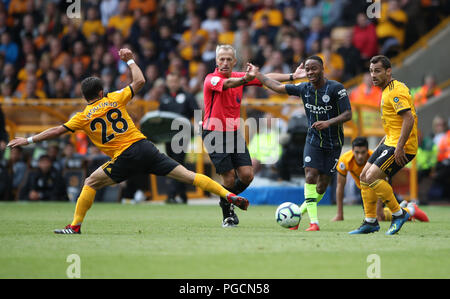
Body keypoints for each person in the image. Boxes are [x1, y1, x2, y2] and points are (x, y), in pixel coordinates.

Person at [7, 48, 249, 234]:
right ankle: (228, 195)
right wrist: (131, 60)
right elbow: (140, 82)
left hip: (124, 156)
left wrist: (28, 140)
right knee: (188, 175)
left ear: (84, 96)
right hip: (145, 147)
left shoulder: (82, 117)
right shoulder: (114, 98)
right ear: (101, 92)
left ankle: (75, 226)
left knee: (90, 181)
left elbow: (56, 131)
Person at [202, 44, 304, 227]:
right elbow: (227, 84)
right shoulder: (211, 79)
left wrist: (292, 77)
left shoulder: (239, 77)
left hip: (233, 132)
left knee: (248, 175)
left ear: (234, 62)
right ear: (216, 61)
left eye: (228, 59)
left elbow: (264, 78)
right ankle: (228, 216)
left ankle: (226, 199)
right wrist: (246, 79)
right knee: (229, 177)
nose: (224, 62)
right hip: (214, 132)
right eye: (221, 59)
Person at [255, 55, 352, 231]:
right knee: (310, 176)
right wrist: (258, 74)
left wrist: (328, 123)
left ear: (323, 69)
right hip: (313, 140)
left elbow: (348, 114)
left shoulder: (336, 88)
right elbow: (276, 87)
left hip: (333, 143)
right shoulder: (304, 88)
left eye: (314, 68)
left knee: (322, 185)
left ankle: (298, 214)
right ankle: (314, 223)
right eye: (307, 69)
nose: (310, 72)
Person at [349, 55, 418, 235]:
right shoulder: (385, 90)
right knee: (364, 176)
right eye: (371, 71)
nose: (373, 75)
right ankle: (370, 222)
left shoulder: (396, 91)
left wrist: (400, 147)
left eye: (377, 71)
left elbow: (408, 119)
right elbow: (393, 123)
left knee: (372, 177)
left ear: (388, 71)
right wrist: (384, 143)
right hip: (389, 141)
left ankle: (399, 213)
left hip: (402, 145)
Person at [333, 137, 428, 222]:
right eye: (357, 152)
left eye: (363, 152)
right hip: (366, 190)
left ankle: (411, 210)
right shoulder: (344, 160)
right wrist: (339, 214)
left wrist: (378, 209)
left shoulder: (374, 158)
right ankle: (405, 210)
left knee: (379, 215)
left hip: (381, 185)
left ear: (367, 150)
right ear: (352, 151)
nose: (360, 156)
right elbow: (340, 186)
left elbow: (383, 180)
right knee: (375, 216)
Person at [159, 72, 199, 204]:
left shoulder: (187, 96)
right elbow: (160, 118)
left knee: (176, 163)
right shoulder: (164, 98)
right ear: (167, 83)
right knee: (174, 164)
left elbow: (197, 112)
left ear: (179, 81)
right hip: (168, 136)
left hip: (183, 135)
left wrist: (198, 126)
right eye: (170, 81)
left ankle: (171, 195)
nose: (173, 84)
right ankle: (183, 195)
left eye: (175, 81)